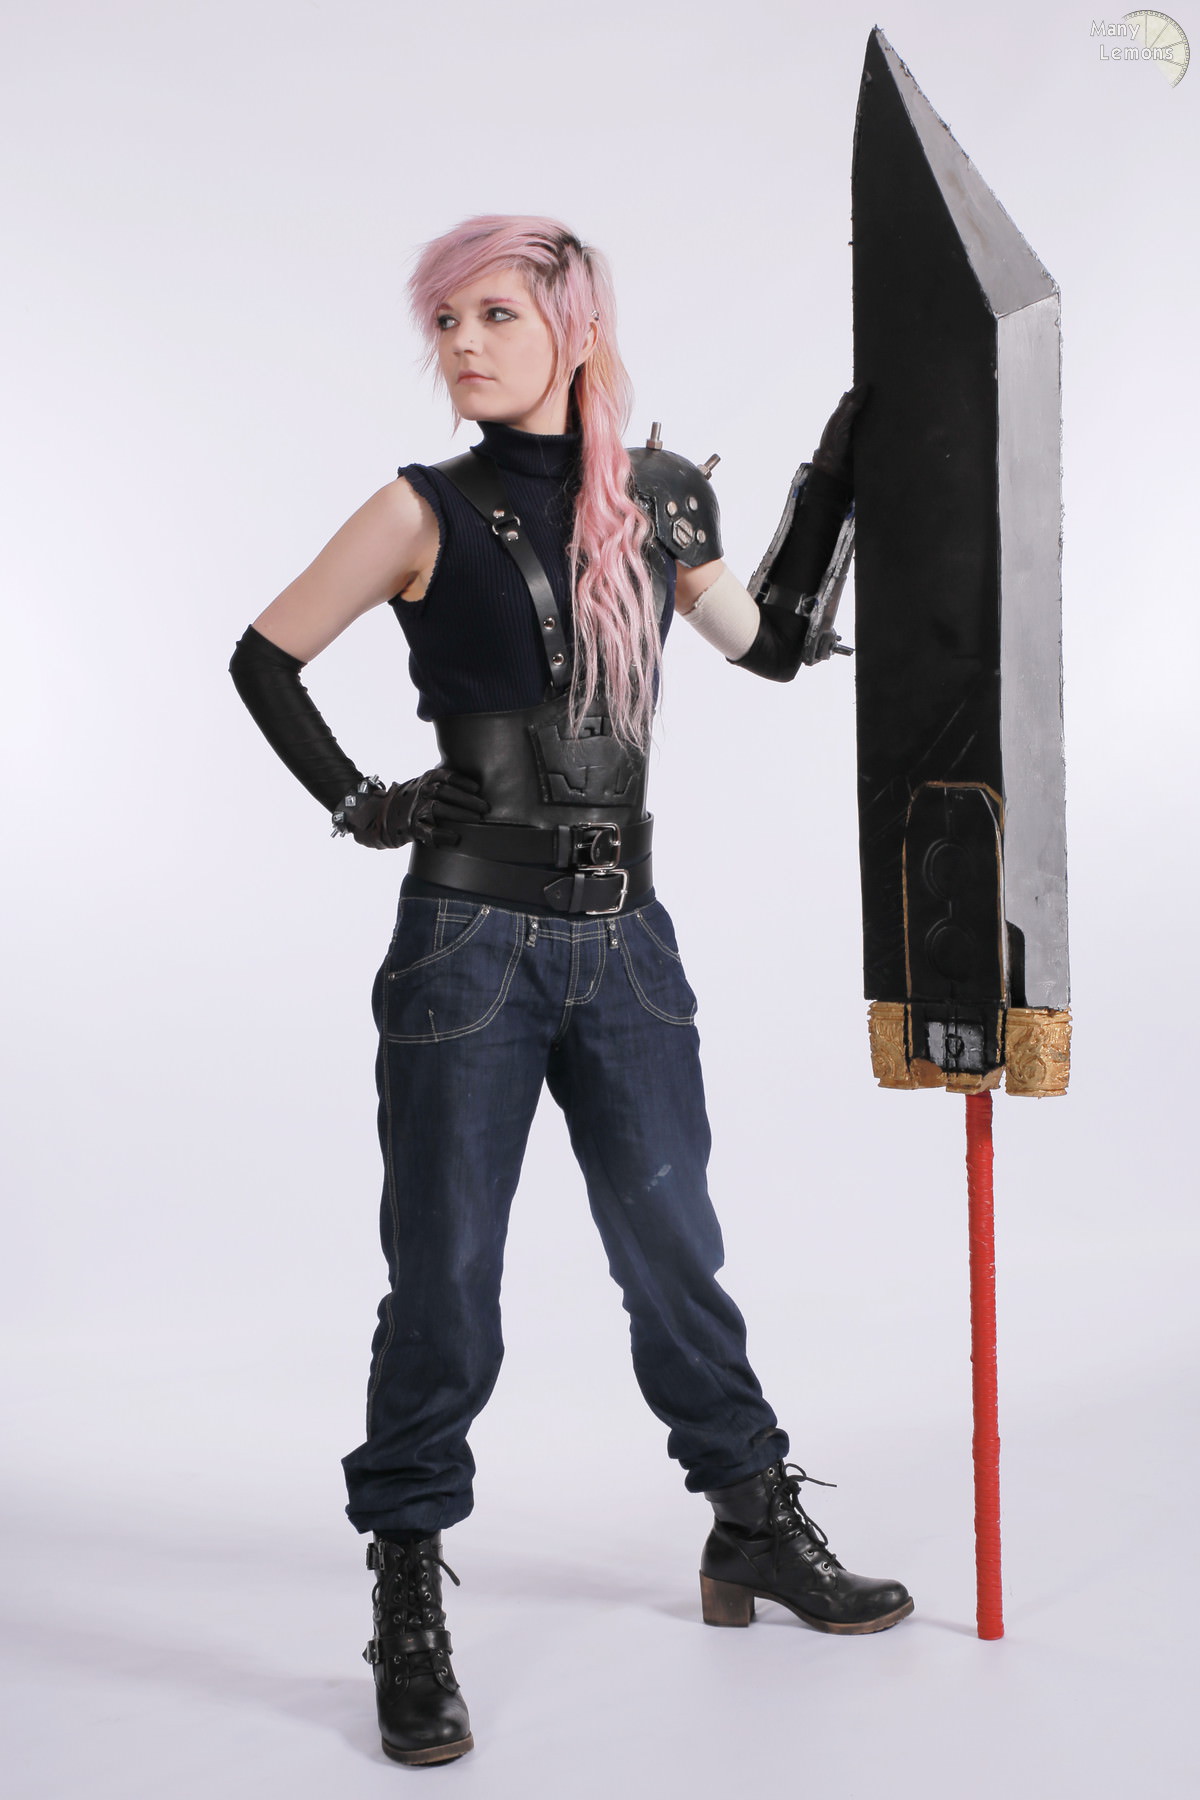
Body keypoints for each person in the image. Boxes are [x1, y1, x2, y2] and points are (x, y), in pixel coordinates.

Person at [230, 215, 910, 1769]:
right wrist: (365, 802)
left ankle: (750, 1523)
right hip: (468, 947)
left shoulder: (657, 502)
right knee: (447, 1277)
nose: (463, 344)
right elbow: (265, 658)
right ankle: (408, 1592)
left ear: (575, 330)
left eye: (496, 315)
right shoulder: (417, 509)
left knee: (675, 1248)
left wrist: (838, 475)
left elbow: (771, 646)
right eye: (446, 320)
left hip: (628, 946)